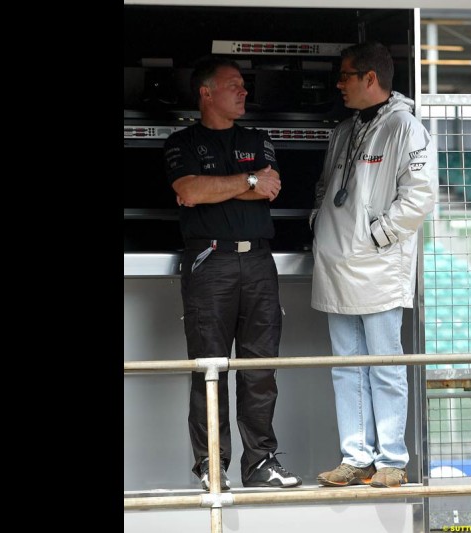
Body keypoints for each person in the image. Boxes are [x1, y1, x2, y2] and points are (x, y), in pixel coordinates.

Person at [164, 56, 302, 492]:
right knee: (210, 368)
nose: (244, 92)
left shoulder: (258, 139)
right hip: (210, 261)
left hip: (260, 262)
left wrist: (223, 187)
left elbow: (273, 186)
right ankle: (211, 466)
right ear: (206, 93)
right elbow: (189, 190)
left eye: (245, 85)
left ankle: (260, 463)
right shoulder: (182, 141)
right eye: (234, 85)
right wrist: (247, 182)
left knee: (260, 368)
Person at [310, 42, 438, 489]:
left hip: (378, 267)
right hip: (336, 263)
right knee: (346, 365)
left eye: (346, 75)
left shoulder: (406, 127)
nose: (339, 83)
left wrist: (377, 236)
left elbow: (421, 196)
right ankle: (355, 457)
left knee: (384, 364)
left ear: (370, 79)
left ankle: (391, 461)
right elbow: (326, 187)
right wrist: (318, 225)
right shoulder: (343, 129)